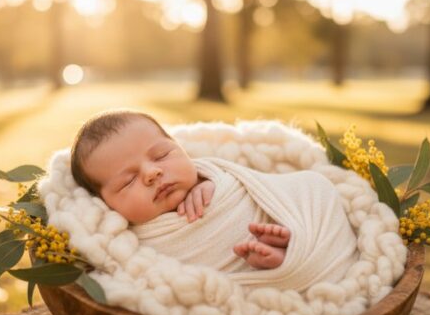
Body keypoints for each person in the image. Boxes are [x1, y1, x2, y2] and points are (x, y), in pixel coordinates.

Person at [70, 110, 292, 270]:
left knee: (279, 225)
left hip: (266, 221)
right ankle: (274, 262)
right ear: (105, 204)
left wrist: (212, 184)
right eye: (128, 182)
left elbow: (251, 183)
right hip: (233, 284)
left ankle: (289, 246)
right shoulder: (126, 245)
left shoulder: (216, 179)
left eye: (161, 156)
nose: (152, 172)